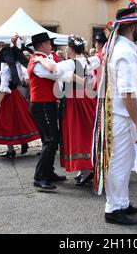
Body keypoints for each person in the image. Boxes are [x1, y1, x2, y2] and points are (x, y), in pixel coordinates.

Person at [93, 2, 137, 225]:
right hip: (122, 116)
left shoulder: (117, 45)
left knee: (125, 160)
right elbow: (127, 92)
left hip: (118, 114)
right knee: (119, 163)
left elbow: (131, 35)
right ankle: (113, 208)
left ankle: (121, 202)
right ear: (131, 27)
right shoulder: (125, 53)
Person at [35, 35, 100, 186]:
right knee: (88, 132)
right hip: (88, 99)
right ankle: (86, 168)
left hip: (74, 101)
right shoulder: (89, 60)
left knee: (77, 133)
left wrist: (40, 59)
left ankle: (86, 170)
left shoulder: (69, 63)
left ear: (70, 49)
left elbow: (52, 69)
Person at [0, 36, 40, 157]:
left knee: (6, 123)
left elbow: (4, 88)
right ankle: (23, 142)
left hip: (7, 98)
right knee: (19, 121)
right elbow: (15, 54)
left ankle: (11, 150)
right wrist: (14, 44)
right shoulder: (17, 66)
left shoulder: (6, 70)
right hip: (16, 95)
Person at [27, 32, 68, 190]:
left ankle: (48, 172)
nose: (52, 45)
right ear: (43, 44)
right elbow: (56, 73)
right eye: (49, 43)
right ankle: (40, 177)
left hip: (47, 103)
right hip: (41, 104)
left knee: (51, 139)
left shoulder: (43, 59)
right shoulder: (37, 62)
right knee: (50, 140)